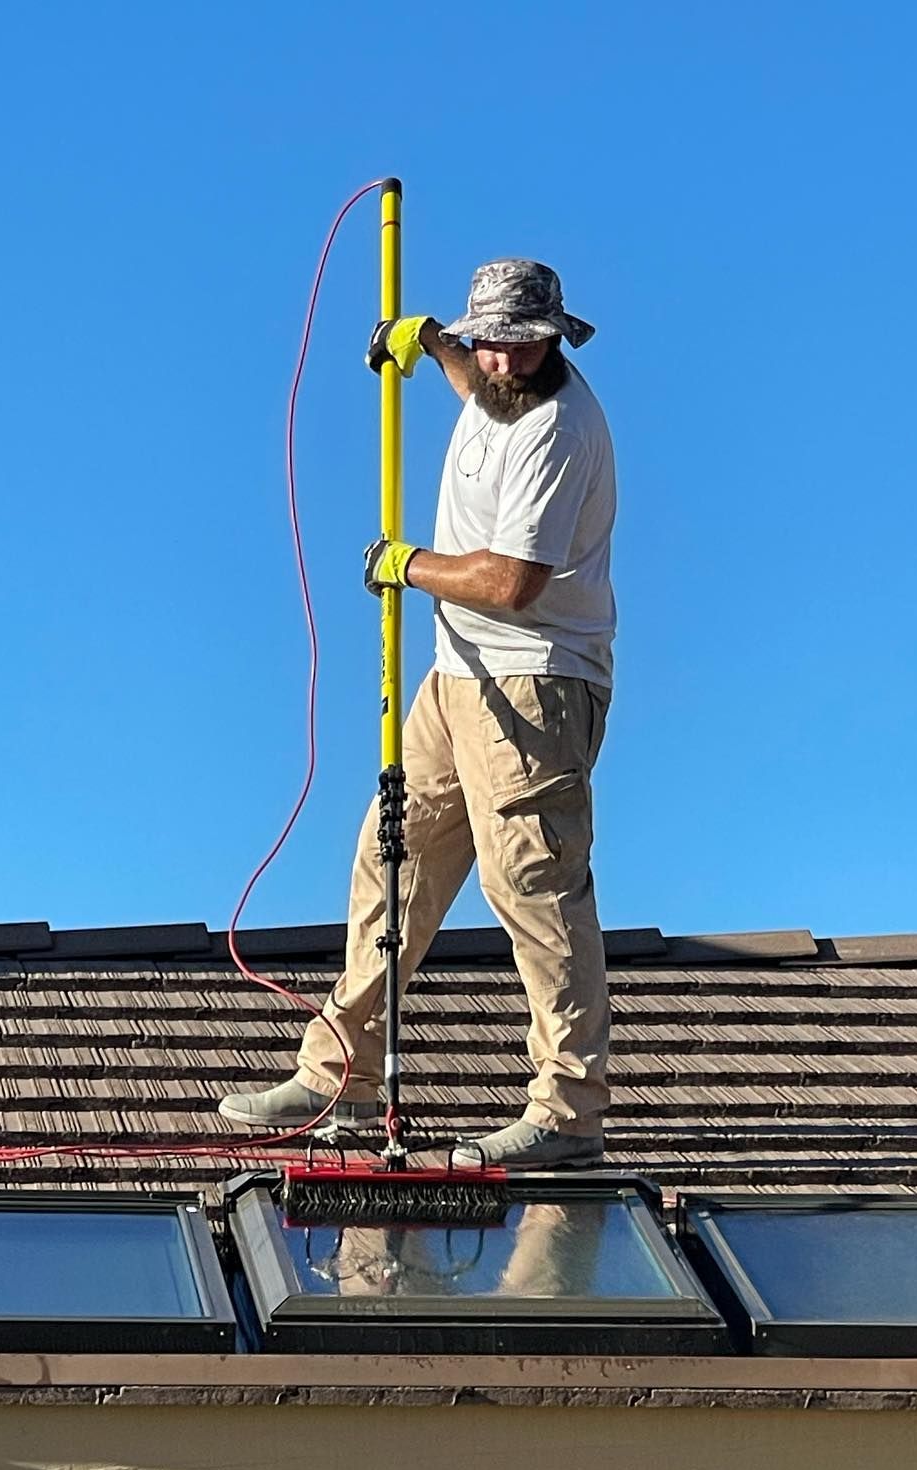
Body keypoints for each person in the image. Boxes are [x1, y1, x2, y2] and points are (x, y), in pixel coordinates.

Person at [220, 259, 616, 1171]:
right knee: (392, 859)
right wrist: (429, 339)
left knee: (533, 888)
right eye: (490, 344)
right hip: (456, 677)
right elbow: (475, 383)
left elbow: (513, 584)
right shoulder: (493, 379)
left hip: (534, 683)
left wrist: (408, 565)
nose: (502, 366)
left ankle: (567, 1113)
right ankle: (341, 1074)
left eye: (521, 347)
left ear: (553, 338)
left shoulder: (559, 429)